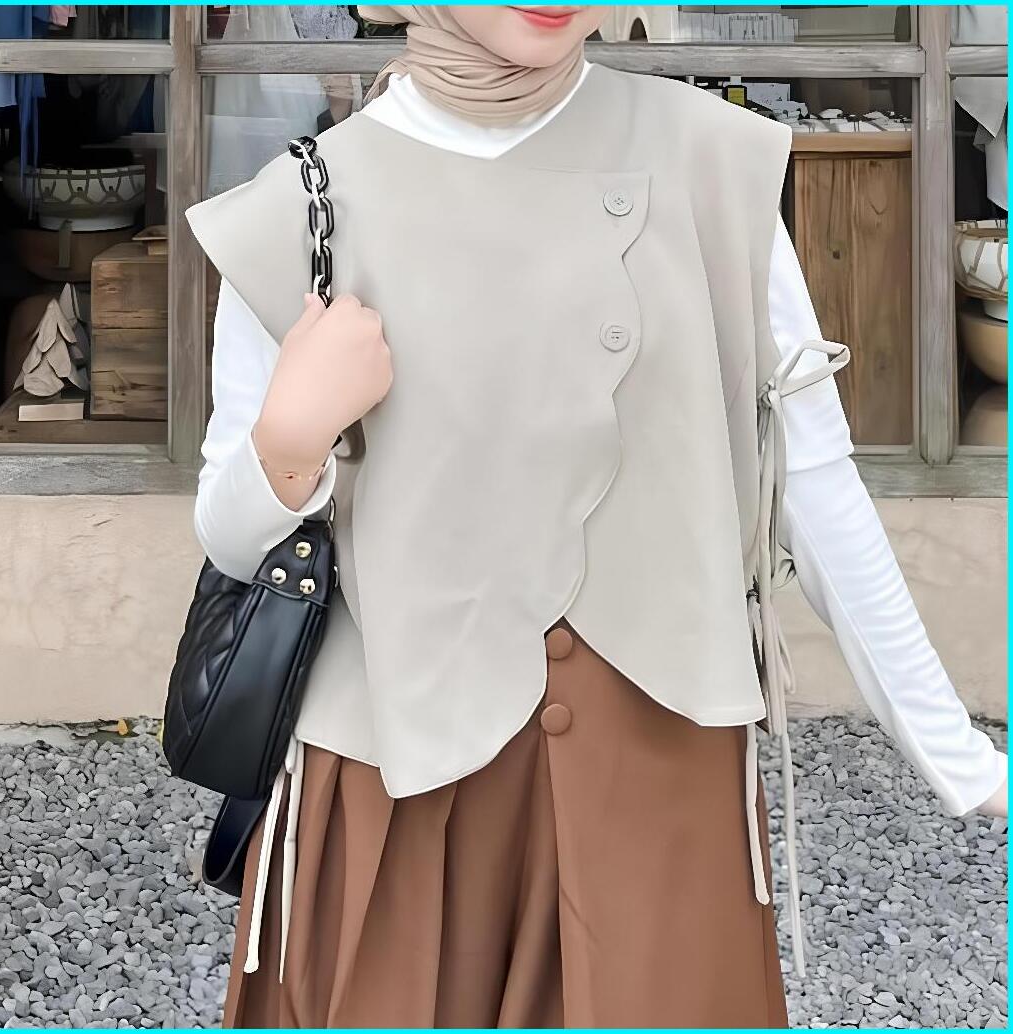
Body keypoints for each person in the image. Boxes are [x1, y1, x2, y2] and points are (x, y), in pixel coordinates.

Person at [184, 7, 1007, 1028]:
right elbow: (229, 536)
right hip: (394, 785)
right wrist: (290, 438)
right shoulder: (301, 207)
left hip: (660, 780)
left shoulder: (713, 164)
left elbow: (813, 479)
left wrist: (961, 760)